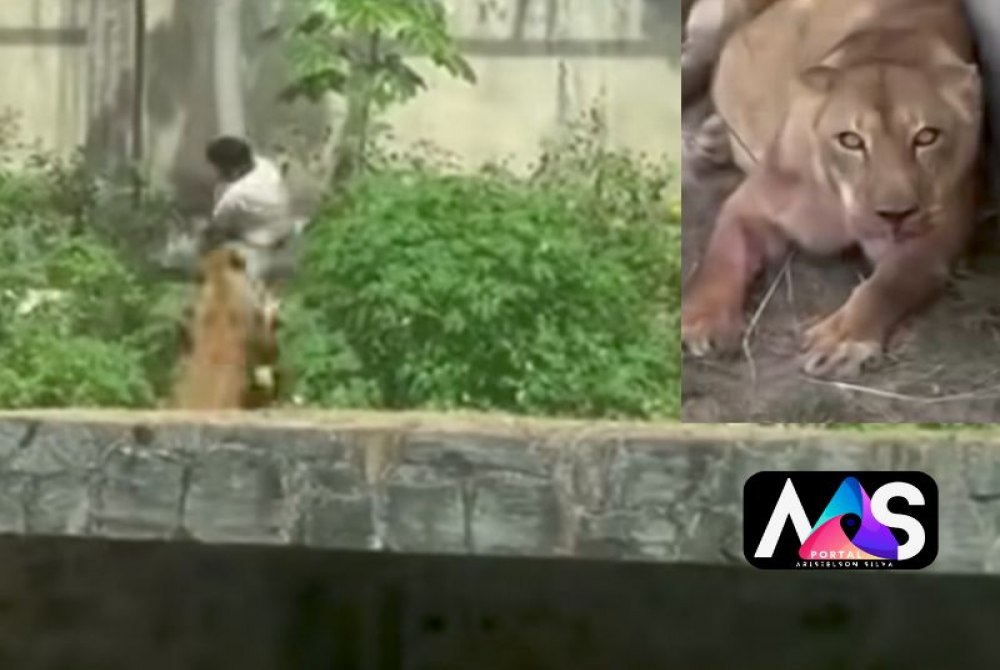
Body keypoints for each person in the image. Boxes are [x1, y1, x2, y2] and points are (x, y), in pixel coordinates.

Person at [200, 135, 300, 290]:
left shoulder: (235, 195)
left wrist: (204, 249)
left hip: (261, 243)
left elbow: (216, 230)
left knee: (213, 248)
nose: (219, 174)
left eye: (220, 169)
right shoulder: (265, 165)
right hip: (284, 227)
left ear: (234, 169)